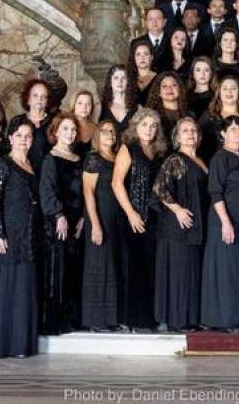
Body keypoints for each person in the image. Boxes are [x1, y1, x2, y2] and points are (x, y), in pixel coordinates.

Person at [0, 115, 41, 358]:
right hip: (9, 234)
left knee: (23, 289)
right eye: (19, 136)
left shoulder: (32, 165)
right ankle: (4, 345)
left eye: (28, 136)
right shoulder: (2, 164)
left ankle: (21, 345)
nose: (24, 140)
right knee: (8, 288)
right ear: (10, 138)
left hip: (28, 235)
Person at [111, 108, 168, 331]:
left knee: (153, 268)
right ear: (136, 126)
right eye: (144, 125)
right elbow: (116, 183)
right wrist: (131, 213)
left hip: (156, 218)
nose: (149, 129)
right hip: (134, 217)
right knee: (136, 269)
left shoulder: (159, 152)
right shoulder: (128, 149)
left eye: (153, 126)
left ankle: (151, 318)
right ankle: (135, 320)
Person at [151, 118, 208, 331]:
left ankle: (189, 317)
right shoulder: (175, 159)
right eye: (185, 130)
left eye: (194, 130)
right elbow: (159, 188)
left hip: (195, 226)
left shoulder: (201, 160)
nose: (190, 134)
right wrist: (177, 210)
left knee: (190, 272)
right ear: (177, 136)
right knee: (179, 273)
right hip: (177, 227)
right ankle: (177, 320)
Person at [201, 116, 239, 331]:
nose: (238, 132)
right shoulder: (220, 158)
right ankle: (224, 320)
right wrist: (225, 222)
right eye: (233, 129)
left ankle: (238, 317)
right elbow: (216, 192)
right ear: (223, 134)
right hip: (224, 223)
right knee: (225, 272)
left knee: (238, 272)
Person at [38, 113, 85, 335]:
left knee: (74, 269)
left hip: (77, 221)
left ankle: (73, 318)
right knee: (57, 269)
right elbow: (47, 189)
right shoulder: (50, 158)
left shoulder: (79, 158)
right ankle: (56, 322)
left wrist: (84, 217)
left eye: (73, 129)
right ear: (55, 132)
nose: (70, 133)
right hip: (58, 221)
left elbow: (86, 190)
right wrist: (58, 216)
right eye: (65, 129)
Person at [80, 121, 126, 331]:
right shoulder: (93, 158)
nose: (110, 135)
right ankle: (96, 320)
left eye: (113, 132)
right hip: (100, 218)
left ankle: (111, 318)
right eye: (105, 131)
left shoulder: (117, 158)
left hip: (117, 218)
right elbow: (88, 192)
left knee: (113, 266)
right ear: (97, 135)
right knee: (99, 267)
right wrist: (95, 224)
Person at [18, 78, 56, 173]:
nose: (39, 99)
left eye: (44, 96)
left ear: (47, 102)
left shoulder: (54, 122)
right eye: (35, 95)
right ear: (28, 99)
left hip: (46, 174)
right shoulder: (17, 121)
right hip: (21, 172)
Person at [147, 71, 191, 136]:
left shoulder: (190, 114)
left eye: (173, 85)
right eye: (164, 86)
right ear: (158, 92)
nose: (169, 89)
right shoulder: (151, 116)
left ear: (179, 89)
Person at [100, 64, 138, 135]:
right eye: (116, 78)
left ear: (128, 82)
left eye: (123, 78)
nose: (120, 81)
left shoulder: (137, 108)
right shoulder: (101, 107)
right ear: (110, 82)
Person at [71, 89, 98, 159]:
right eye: (80, 103)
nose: (84, 107)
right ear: (73, 105)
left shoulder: (95, 129)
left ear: (91, 107)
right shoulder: (65, 125)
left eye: (88, 104)